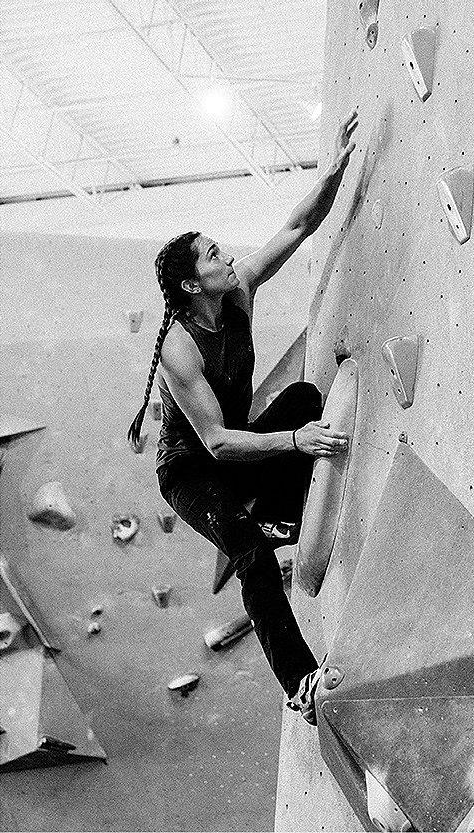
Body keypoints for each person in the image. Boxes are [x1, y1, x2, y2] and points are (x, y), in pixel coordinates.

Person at [127, 109, 358, 725]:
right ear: (190, 287)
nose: (226, 256)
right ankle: (303, 683)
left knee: (306, 400)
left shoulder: (239, 292)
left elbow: (298, 226)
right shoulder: (180, 350)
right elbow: (220, 445)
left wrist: (332, 171)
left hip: (235, 446)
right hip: (195, 472)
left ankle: (272, 514)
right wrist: (296, 443)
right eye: (211, 256)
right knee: (252, 555)